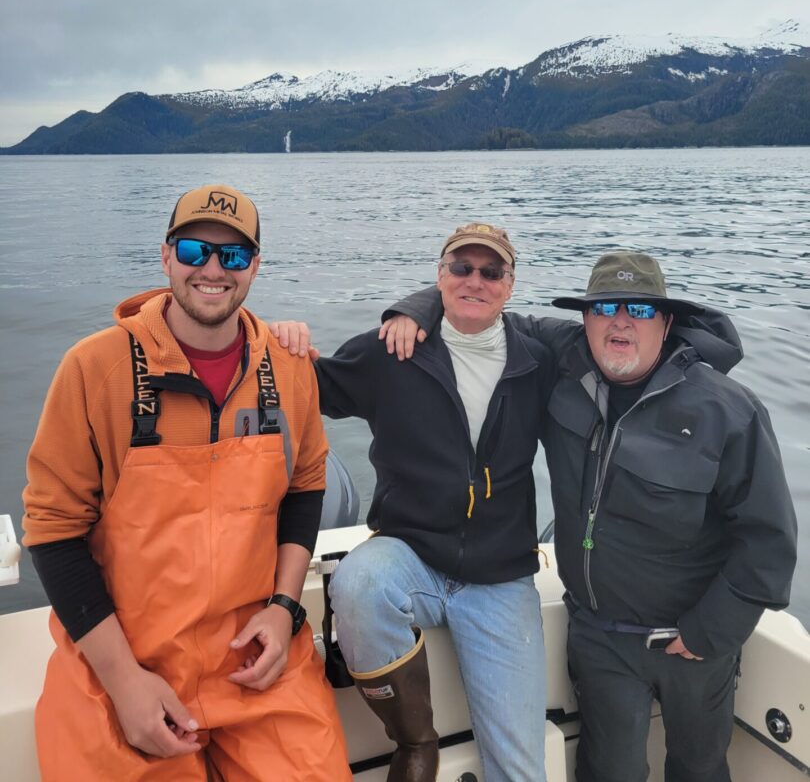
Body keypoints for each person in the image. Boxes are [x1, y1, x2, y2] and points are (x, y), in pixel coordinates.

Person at [381, 250, 798, 782]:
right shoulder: (563, 359)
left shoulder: (727, 409)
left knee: (699, 768)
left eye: (640, 310)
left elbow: (770, 541)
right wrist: (412, 310)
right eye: (605, 307)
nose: (620, 321)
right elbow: (482, 307)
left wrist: (709, 633)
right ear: (585, 319)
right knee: (608, 771)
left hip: (694, 645)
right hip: (599, 638)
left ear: (667, 323)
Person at [22, 184, 350, 782]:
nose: (212, 269)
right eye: (196, 249)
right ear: (166, 256)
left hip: (253, 657)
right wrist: (124, 683)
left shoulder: (292, 368)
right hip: (124, 660)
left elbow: (305, 486)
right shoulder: (95, 369)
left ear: (254, 265)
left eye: (233, 255)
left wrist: (282, 611)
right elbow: (52, 531)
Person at [307, 224, 556, 782]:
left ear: (510, 286)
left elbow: (615, 344)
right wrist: (279, 338)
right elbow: (307, 386)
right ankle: (415, 742)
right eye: (460, 268)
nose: (475, 280)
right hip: (411, 555)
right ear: (439, 275)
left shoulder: (539, 359)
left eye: (491, 272)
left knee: (521, 769)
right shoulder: (393, 350)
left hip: (501, 577)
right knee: (358, 584)